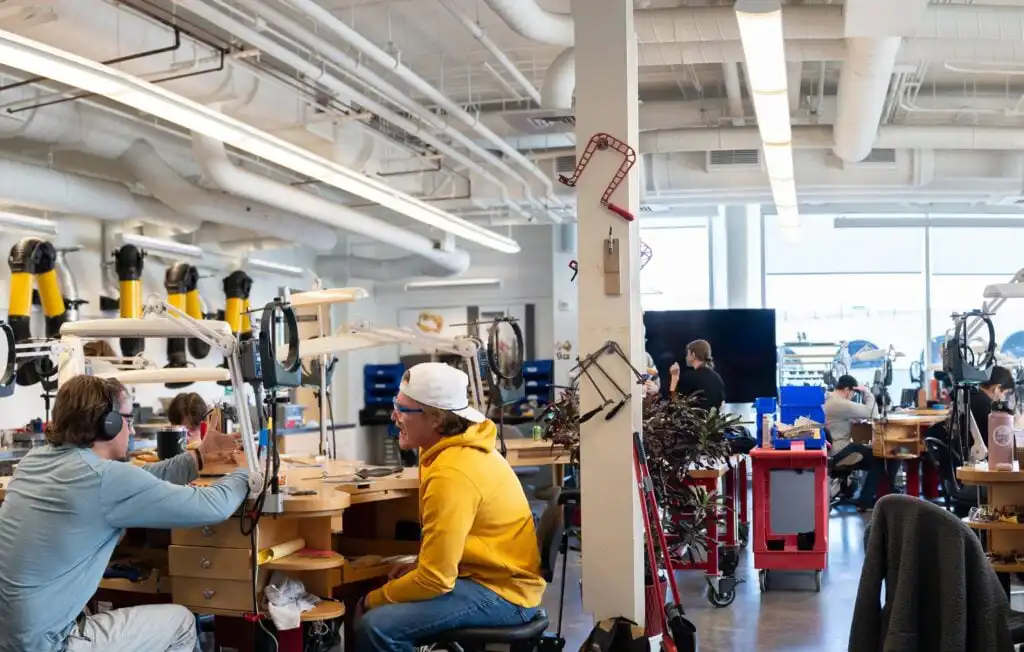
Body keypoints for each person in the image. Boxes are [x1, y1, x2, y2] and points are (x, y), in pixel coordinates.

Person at [0, 375, 250, 652]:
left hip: (9, 639)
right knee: (181, 623)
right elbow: (212, 506)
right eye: (128, 420)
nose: (131, 431)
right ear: (109, 423)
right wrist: (245, 470)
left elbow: (138, 478)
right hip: (48, 644)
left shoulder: (32, 463)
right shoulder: (105, 479)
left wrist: (200, 456)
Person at [354, 362, 544, 652]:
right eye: (396, 404)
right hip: (489, 579)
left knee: (376, 625)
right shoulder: (449, 452)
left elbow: (435, 581)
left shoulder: (452, 473)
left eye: (404, 409)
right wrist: (419, 565)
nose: (394, 415)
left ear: (435, 419)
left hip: (504, 594)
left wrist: (371, 600)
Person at [824, 374, 884, 509]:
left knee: (866, 449)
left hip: (832, 448)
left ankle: (858, 495)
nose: (852, 397)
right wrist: (866, 392)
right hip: (839, 450)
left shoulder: (829, 399)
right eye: (852, 393)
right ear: (847, 390)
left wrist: (853, 421)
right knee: (879, 458)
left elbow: (841, 422)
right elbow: (873, 413)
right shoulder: (839, 402)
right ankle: (866, 501)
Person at [668, 339, 726, 412]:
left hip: (693, 422)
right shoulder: (717, 377)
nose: (686, 357)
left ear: (693, 355)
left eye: (688, 354)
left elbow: (674, 406)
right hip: (711, 422)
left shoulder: (689, 377)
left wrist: (674, 377)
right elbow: (721, 404)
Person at [969, 365, 1015, 448]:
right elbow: (1004, 442)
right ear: (997, 388)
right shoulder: (989, 408)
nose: (1003, 398)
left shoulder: (970, 395)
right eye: (1004, 393)